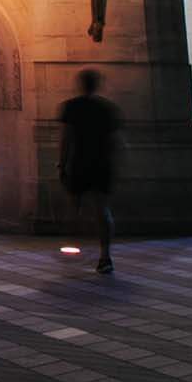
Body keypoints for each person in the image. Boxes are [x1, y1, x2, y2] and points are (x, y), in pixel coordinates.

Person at [59, 68, 120, 273]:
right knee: (102, 209)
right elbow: (115, 140)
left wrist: (62, 163)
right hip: (102, 163)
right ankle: (105, 255)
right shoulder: (107, 108)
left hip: (80, 162)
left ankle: (75, 244)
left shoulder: (72, 107)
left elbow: (66, 138)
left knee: (74, 206)